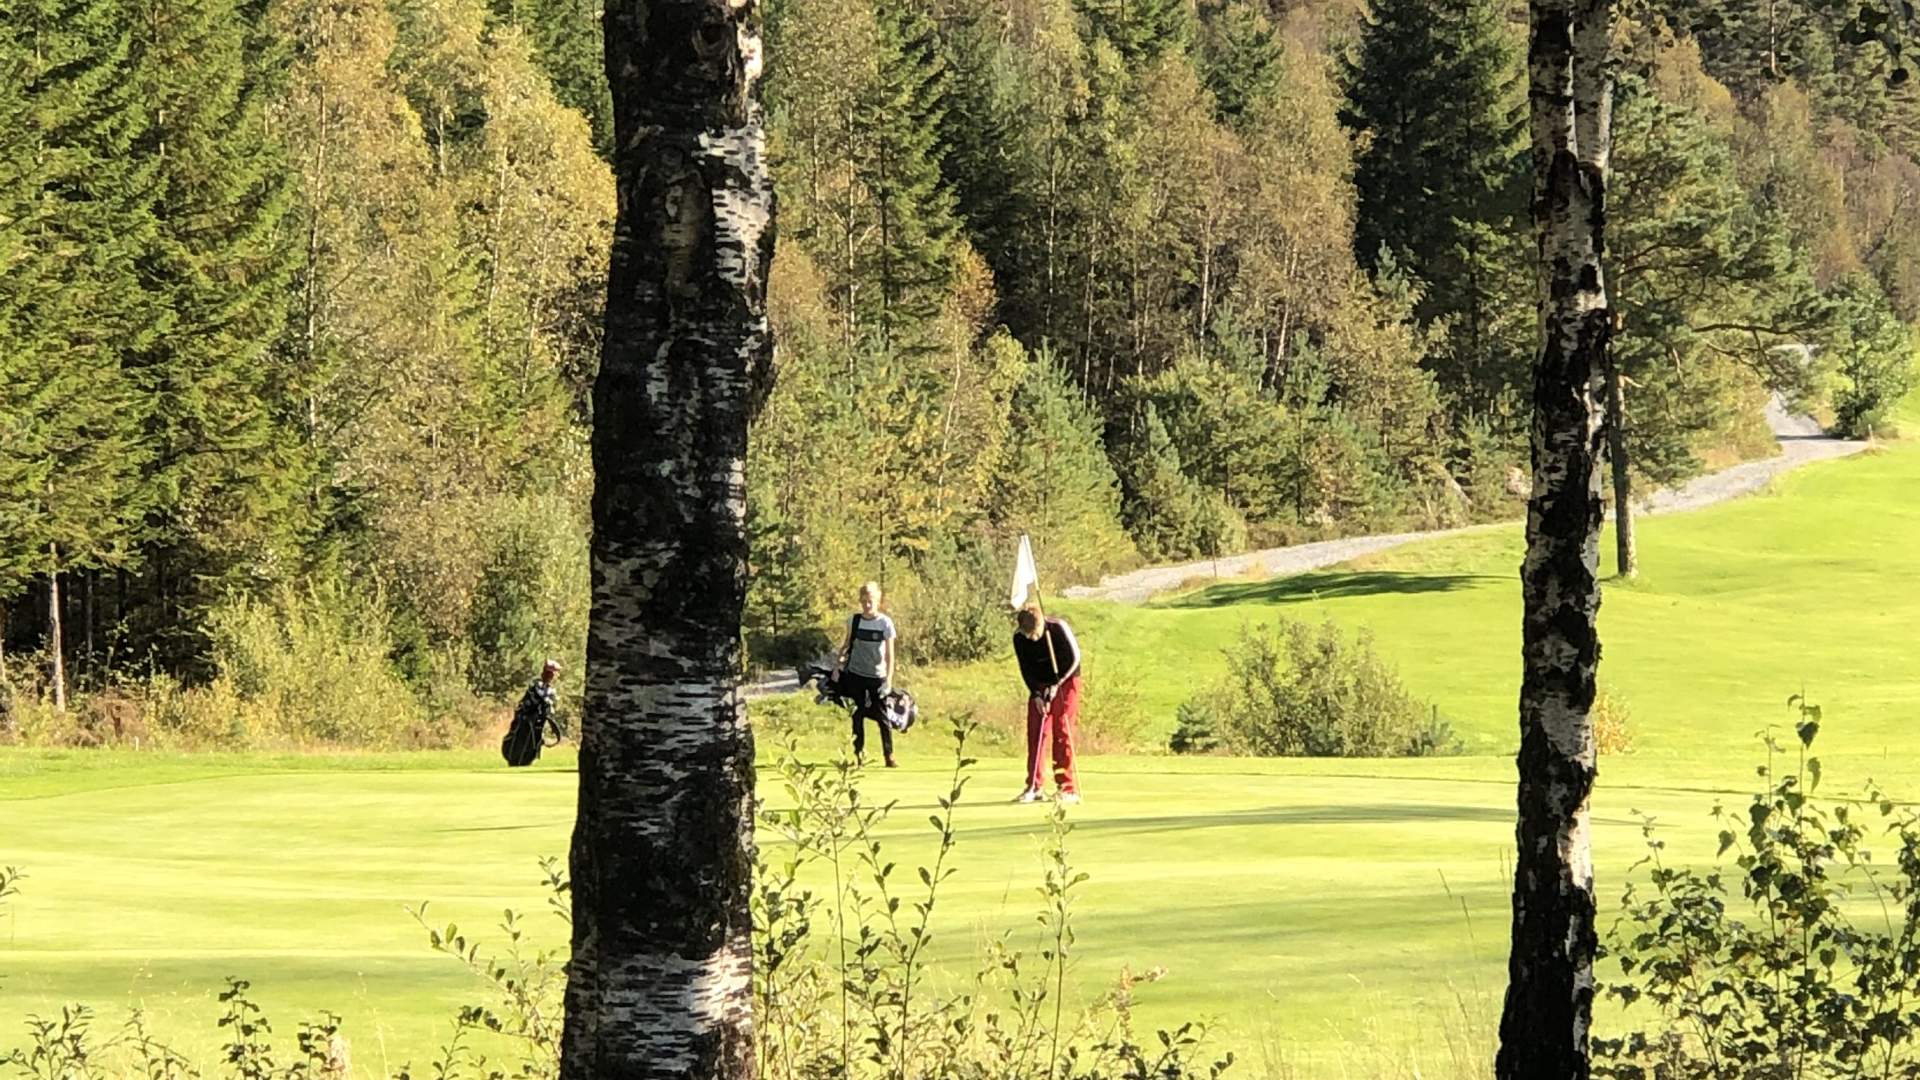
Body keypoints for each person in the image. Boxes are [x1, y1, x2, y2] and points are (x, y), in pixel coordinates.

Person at [1012, 603, 1081, 804]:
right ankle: (1034, 785)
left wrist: (1055, 686)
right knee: (1036, 731)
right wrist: (1036, 694)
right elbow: (1026, 669)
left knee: (1062, 729)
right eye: (1029, 636)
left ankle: (1067, 787)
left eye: (1036, 634)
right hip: (1039, 683)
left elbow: (1074, 659)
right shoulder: (1019, 638)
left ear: (1042, 624)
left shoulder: (1058, 629)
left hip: (1066, 679)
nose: (1033, 639)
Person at [832, 581, 897, 767]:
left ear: (877, 601)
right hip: (856, 674)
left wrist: (888, 681)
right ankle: (859, 755)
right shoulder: (854, 620)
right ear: (860, 601)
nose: (867, 605)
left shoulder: (885, 623)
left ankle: (889, 755)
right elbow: (846, 645)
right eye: (864, 601)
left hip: (877, 675)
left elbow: (890, 655)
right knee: (857, 716)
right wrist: (837, 667)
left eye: (871, 601)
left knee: (883, 718)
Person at [502, 658, 564, 767]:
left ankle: (527, 760)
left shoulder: (551, 691)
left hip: (537, 724)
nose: (550, 676)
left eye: (552, 674)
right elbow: (531, 701)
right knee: (519, 737)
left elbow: (549, 707)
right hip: (525, 720)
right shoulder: (535, 685)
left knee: (534, 742)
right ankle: (515, 759)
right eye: (548, 673)